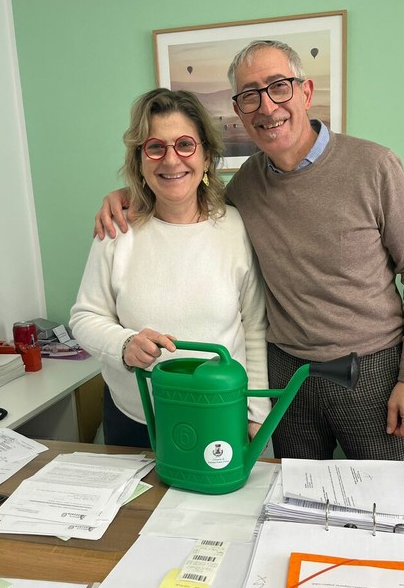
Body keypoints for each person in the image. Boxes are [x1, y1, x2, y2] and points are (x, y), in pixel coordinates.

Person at [93, 41, 404, 461]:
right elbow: (183, 195)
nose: (266, 106)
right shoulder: (246, 186)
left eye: (279, 86)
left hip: (372, 372)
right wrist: (128, 195)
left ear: (306, 92)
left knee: (384, 495)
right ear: (239, 111)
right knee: (290, 494)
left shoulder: (374, 166)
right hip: (286, 376)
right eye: (249, 96)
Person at [71, 87, 270, 448]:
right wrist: (124, 344)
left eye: (185, 145)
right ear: (140, 160)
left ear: (206, 156)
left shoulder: (235, 228)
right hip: (134, 419)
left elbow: (254, 327)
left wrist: (256, 413)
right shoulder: (117, 230)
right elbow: (84, 317)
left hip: (219, 414)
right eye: (155, 147)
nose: (171, 160)